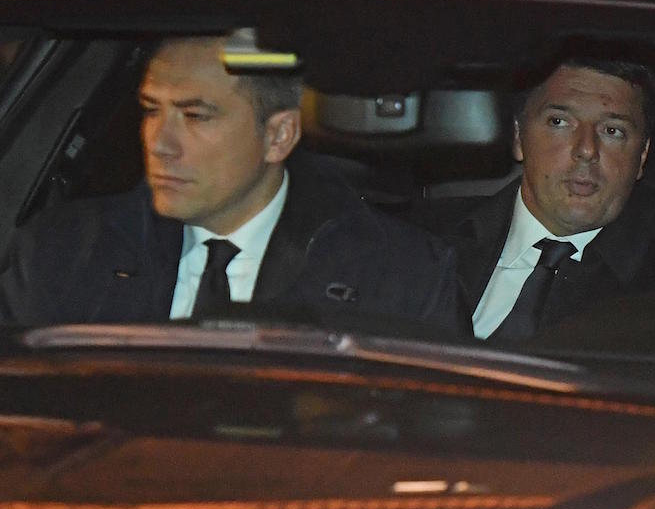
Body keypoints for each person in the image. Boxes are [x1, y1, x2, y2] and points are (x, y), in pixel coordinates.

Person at [0, 35, 458, 332]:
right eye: (152, 110)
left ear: (278, 136)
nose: (160, 143)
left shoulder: (397, 276)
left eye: (195, 116)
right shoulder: (62, 252)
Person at [422, 55, 655, 340]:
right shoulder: (423, 240)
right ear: (519, 137)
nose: (586, 150)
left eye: (612, 131)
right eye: (559, 122)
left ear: (642, 156)